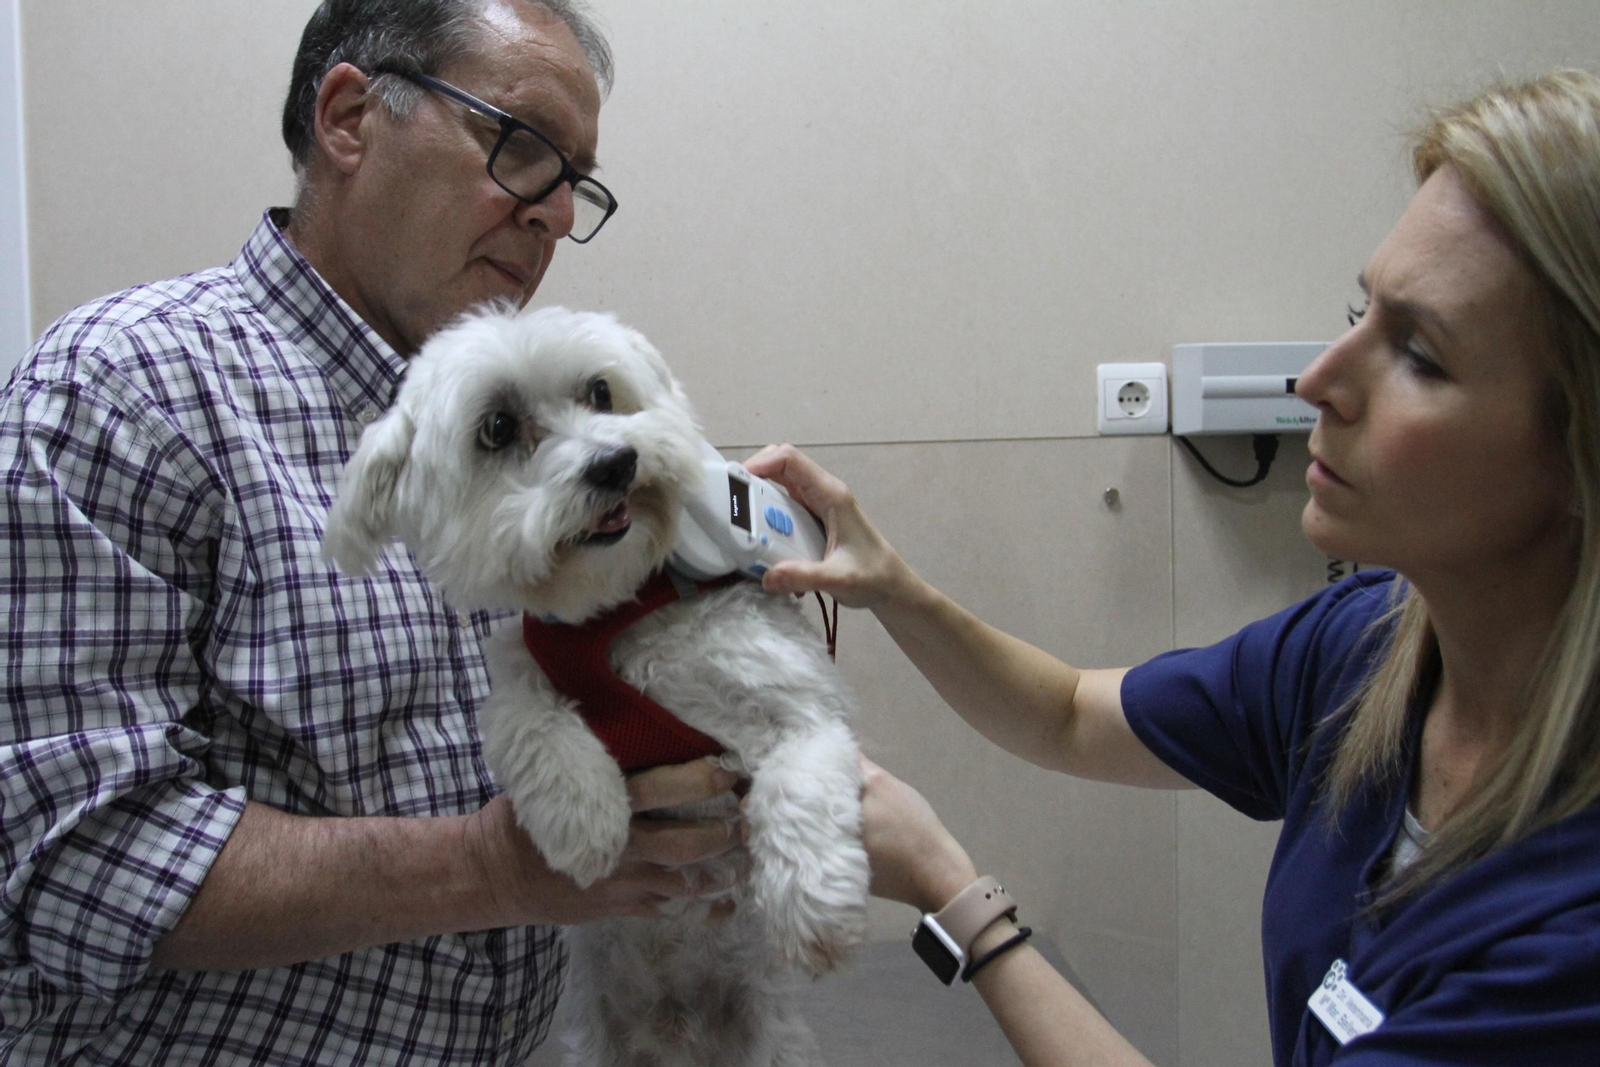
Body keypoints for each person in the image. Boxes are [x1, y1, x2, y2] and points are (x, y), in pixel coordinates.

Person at [746, 69, 1600, 1067]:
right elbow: (1067, 711)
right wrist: (892, 584)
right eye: (1357, 310)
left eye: (1417, 353)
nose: (1319, 377)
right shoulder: (1364, 650)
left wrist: (956, 894)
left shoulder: (1568, 941)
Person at [0, 2, 741, 1062]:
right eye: (522, 146)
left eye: (576, 178)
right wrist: (493, 867)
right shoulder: (125, 392)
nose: (555, 214)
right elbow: (74, 865)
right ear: (349, 117)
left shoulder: (546, 424)